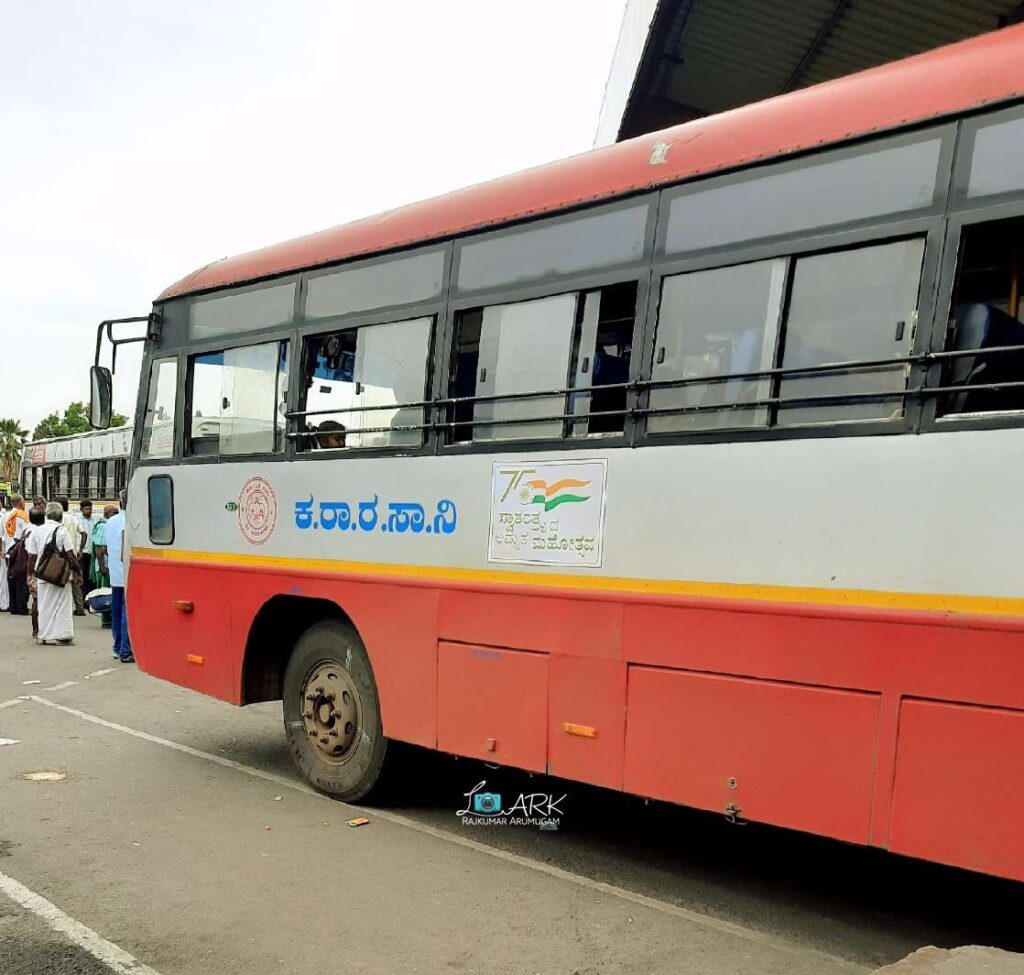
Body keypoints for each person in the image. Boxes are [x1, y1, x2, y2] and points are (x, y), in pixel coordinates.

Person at [25, 501, 75, 646]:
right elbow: (70, 554)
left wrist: (30, 574)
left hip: (42, 573)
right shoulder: (62, 530)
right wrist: (78, 572)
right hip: (60, 574)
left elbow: (32, 556)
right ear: (61, 516)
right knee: (62, 604)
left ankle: (44, 636)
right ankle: (62, 636)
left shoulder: (37, 530)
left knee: (44, 604)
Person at [105, 500, 133, 663]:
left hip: (115, 573)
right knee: (127, 612)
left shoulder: (110, 522)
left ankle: (117, 647)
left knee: (117, 611)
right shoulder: (130, 522)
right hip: (128, 572)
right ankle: (126, 649)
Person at [57, 497, 86, 617]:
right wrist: (80, 550)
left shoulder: (56, 519)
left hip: (59, 555)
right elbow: (84, 533)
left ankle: (60, 609)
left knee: (58, 581)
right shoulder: (74, 519)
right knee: (75, 582)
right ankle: (80, 608)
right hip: (72, 554)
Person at [92, 505, 116, 628]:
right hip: (104, 567)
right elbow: (99, 549)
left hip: (112, 566)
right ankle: (106, 620)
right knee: (105, 593)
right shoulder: (103, 527)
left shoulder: (111, 525)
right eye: (115, 513)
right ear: (109, 514)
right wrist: (102, 567)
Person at [23, 508, 45, 636]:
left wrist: (29, 574)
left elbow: (31, 556)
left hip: (36, 571)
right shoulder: (48, 530)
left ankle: (35, 630)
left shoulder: (31, 531)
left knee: (36, 600)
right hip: (49, 571)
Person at [77, 500, 98, 600]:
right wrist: (79, 551)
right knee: (83, 574)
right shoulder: (77, 521)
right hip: (83, 552)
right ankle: (83, 598)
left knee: (92, 576)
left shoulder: (95, 520)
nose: (88, 511)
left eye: (90, 509)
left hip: (92, 552)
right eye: (86, 509)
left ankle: (91, 597)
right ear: (81, 509)